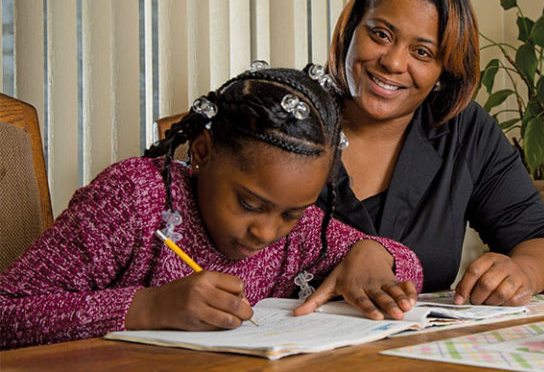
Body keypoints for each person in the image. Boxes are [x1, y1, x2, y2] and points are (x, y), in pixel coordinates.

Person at [0, 64, 423, 350]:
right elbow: (7, 313)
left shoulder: (303, 231)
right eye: (249, 203)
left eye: (291, 213)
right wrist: (144, 308)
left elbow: (408, 266)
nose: (267, 231)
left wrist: (374, 253)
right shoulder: (133, 199)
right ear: (201, 152)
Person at [294, 0, 544, 315]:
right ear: (351, 30)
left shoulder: (465, 130)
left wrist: (524, 272)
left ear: (444, 70)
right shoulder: (283, 113)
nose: (393, 62)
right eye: (380, 34)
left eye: (422, 52)